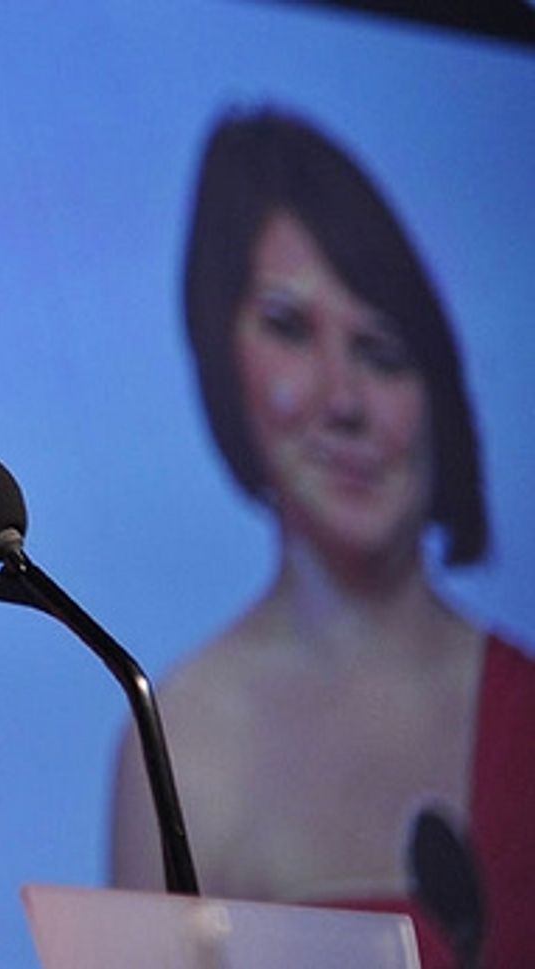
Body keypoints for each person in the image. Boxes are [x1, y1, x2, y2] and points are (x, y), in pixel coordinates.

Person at [109, 107, 535, 967]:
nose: (343, 398)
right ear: (223, 360)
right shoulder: (176, 734)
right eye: (291, 330)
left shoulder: (525, 707)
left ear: (438, 388)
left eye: (381, 349)